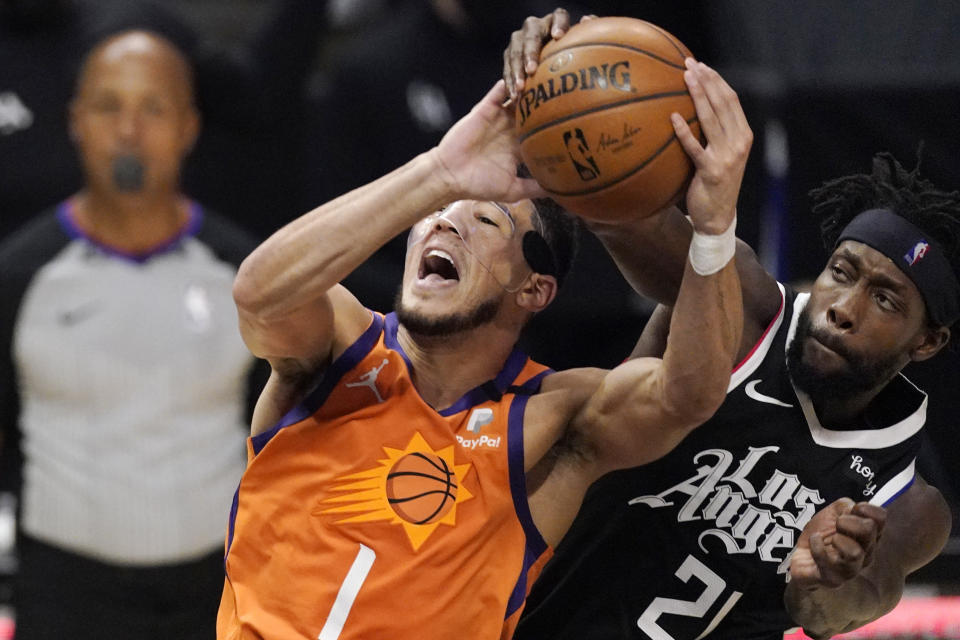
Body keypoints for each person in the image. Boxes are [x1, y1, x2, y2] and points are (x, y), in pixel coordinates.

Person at [217, 47, 749, 637]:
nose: (445, 221)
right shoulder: (339, 345)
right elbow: (258, 295)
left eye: (487, 219)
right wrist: (438, 173)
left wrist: (713, 226)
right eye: (439, 211)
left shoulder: (551, 418)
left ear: (534, 289)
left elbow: (689, 394)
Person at [503, 9, 955, 640]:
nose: (844, 306)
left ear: (928, 342)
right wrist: (561, 82)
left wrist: (820, 577)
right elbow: (617, 213)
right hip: (525, 619)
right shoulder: (740, 302)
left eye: (886, 301)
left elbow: (850, 606)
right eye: (843, 272)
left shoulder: (909, 499)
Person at [0, 30, 265, 638]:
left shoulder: (246, 276)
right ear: (76, 121)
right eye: (108, 106)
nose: (129, 130)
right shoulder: (19, 275)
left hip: (220, 588)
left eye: (153, 108)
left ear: (189, 127)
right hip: (65, 597)